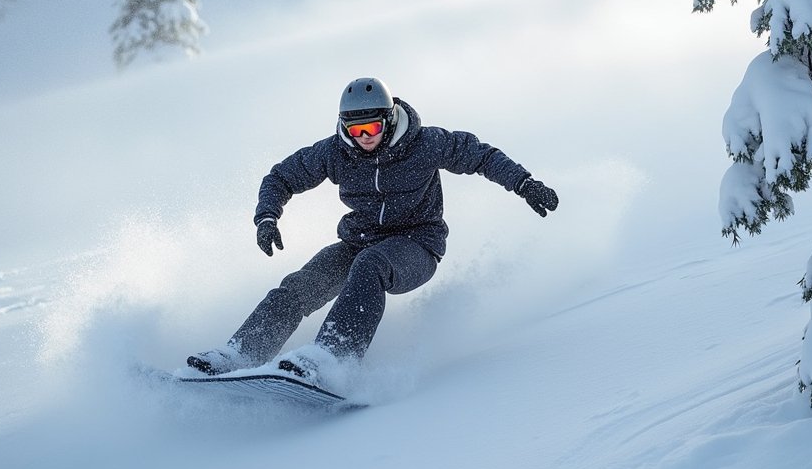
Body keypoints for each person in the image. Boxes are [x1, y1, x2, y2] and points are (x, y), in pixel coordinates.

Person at [186, 77, 559, 382]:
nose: (364, 137)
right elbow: (281, 177)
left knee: (371, 266)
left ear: (390, 119)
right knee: (300, 285)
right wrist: (267, 217)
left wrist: (523, 183)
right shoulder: (336, 151)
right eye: (355, 128)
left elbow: (481, 155)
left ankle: (331, 360)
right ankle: (239, 353)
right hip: (358, 242)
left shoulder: (426, 143)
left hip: (416, 245)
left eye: (372, 127)